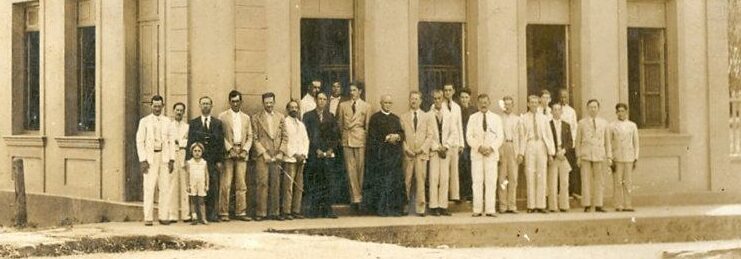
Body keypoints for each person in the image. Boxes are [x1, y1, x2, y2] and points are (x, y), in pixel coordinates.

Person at [362, 95, 406, 216]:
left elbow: (402, 133)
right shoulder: (375, 118)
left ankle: (394, 210)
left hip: (394, 157)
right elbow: (372, 137)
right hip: (381, 157)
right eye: (385, 102)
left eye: (389, 103)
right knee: (382, 183)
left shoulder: (395, 118)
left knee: (394, 183)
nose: (387, 105)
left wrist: (397, 137)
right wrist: (386, 138)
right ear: (381, 103)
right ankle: (382, 210)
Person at [136, 95, 175, 226]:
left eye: (159, 106)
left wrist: (171, 159)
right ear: (151, 106)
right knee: (149, 187)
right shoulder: (144, 121)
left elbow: (171, 141)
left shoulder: (167, 121)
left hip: (163, 157)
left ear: (163, 106)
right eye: (155, 106)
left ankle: (164, 216)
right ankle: (148, 217)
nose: (157, 108)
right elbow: (140, 141)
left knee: (164, 187)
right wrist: (143, 160)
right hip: (150, 158)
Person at [186, 96, 225, 222]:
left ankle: (212, 215)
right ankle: (197, 215)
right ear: (200, 106)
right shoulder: (194, 123)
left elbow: (220, 143)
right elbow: (190, 142)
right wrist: (188, 160)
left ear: (211, 106)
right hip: (197, 162)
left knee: (212, 186)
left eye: (208, 104)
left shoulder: (217, 123)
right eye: (203, 104)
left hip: (212, 160)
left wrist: (219, 160)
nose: (205, 106)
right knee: (197, 188)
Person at [217, 90, 253, 222]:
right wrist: (230, 149)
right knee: (226, 183)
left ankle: (240, 212)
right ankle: (223, 212)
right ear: (229, 102)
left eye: (238, 101)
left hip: (242, 152)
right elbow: (220, 135)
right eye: (233, 101)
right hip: (228, 153)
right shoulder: (222, 116)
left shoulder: (246, 117)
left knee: (241, 184)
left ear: (241, 102)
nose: (235, 104)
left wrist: (245, 150)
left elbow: (250, 136)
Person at [304, 93, 341, 218]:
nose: (322, 101)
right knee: (315, 181)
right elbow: (306, 136)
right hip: (315, 154)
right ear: (315, 100)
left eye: (324, 99)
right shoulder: (308, 116)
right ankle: (314, 210)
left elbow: (335, 136)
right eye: (320, 99)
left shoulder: (330, 117)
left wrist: (331, 149)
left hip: (327, 155)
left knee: (328, 181)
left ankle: (327, 210)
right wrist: (316, 150)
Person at [466, 94, 504, 217]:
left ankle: (490, 209)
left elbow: (500, 137)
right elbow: (469, 136)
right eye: (481, 102)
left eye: (485, 102)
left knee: (491, 182)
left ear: (489, 103)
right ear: (477, 104)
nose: (483, 104)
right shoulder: (472, 118)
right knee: (477, 182)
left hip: (491, 155)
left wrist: (491, 148)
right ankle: (477, 209)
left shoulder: (496, 118)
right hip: (477, 154)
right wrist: (479, 147)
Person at [251, 92, 287, 221]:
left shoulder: (281, 117)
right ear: (263, 103)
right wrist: (263, 153)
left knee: (276, 183)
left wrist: (281, 152)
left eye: (271, 102)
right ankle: (261, 212)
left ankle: (275, 212)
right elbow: (254, 138)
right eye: (266, 103)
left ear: (274, 102)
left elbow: (285, 137)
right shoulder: (256, 118)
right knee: (262, 183)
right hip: (263, 155)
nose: (269, 105)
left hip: (276, 154)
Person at [337, 81, 370, 212]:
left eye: (354, 90)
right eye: (350, 90)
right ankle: (354, 199)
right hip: (347, 139)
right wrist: (344, 137)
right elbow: (340, 124)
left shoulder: (366, 106)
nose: (352, 93)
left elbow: (366, 126)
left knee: (360, 169)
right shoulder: (343, 105)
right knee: (350, 170)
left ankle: (360, 198)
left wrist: (364, 138)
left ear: (360, 91)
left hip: (360, 139)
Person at [520, 95, 556, 214]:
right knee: (530, 174)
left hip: (541, 145)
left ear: (538, 104)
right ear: (528, 104)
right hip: (530, 145)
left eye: (536, 102)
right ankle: (531, 205)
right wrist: (521, 153)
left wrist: (551, 153)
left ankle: (541, 205)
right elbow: (521, 137)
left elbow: (549, 135)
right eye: (532, 102)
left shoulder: (544, 118)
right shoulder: (523, 118)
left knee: (541, 174)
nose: (534, 104)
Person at [400, 91, 434, 216]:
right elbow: (401, 136)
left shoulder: (427, 117)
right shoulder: (403, 117)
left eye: (416, 99)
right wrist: (406, 149)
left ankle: (421, 208)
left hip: (421, 154)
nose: (413, 101)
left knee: (420, 181)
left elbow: (430, 135)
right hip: (408, 154)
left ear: (420, 101)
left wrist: (422, 149)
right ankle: (405, 206)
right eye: (411, 99)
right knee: (407, 180)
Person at [575, 99, 612, 213]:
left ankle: (598, 204)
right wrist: (578, 156)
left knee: (599, 180)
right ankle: (586, 204)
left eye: (595, 107)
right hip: (586, 154)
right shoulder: (581, 123)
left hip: (599, 154)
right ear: (587, 109)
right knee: (585, 180)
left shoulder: (604, 123)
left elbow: (607, 141)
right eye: (591, 107)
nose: (593, 109)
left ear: (598, 109)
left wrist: (609, 156)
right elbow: (578, 141)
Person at [429, 89, 459, 216]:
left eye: (439, 98)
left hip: (445, 151)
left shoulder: (449, 115)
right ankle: (434, 205)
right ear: (432, 100)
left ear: (443, 99)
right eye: (435, 98)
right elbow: (427, 135)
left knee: (445, 178)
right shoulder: (428, 115)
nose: (437, 101)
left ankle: (443, 205)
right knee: (434, 178)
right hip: (435, 151)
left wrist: (446, 146)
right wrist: (436, 147)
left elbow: (454, 132)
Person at [434, 84, 465, 202]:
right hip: (444, 143)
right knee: (444, 172)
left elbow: (459, 126)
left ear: (453, 91)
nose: (447, 92)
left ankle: (455, 195)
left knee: (454, 169)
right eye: (445, 90)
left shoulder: (457, 107)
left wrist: (461, 143)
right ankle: (444, 196)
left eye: (449, 90)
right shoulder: (439, 105)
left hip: (455, 142)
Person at [281, 99, 310, 220]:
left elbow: (305, 140)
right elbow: (285, 140)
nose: (294, 109)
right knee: (288, 186)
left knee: (299, 185)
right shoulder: (284, 123)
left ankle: (296, 210)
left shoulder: (301, 124)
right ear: (288, 109)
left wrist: (303, 154)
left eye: (296, 107)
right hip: (290, 158)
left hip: (301, 159)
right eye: (291, 107)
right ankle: (286, 211)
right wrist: (294, 154)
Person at [610, 103, 639, 212]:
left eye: (623, 111)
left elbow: (636, 143)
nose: (621, 113)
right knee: (618, 181)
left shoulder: (632, 125)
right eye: (619, 111)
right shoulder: (612, 126)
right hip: (617, 157)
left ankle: (628, 204)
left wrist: (635, 157)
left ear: (626, 112)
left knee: (628, 182)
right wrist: (610, 158)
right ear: (616, 112)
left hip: (629, 157)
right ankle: (618, 204)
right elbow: (609, 143)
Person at [498, 96, 522, 214]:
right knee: (503, 178)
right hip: (503, 147)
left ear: (513, 106)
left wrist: (520, 153)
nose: (507, 106)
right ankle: (503, 205)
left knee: (513, 178)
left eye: (509, 104)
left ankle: (512, 205)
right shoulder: (499, 119)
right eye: (505, 104)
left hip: (513, 147)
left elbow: (521, 137)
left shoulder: (517, 119)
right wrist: (499, 151)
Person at [547, 103, 573, 212]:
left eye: (559, 110)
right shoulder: (548, 125)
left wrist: (563, 150)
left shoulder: (566, 125)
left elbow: (570, 141)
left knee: (564, 181)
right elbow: (547, 140)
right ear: (551, 112)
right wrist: (553, 153)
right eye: (555, 110)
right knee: (552, 182)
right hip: (553, 155)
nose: (557, 112)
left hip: (563, 155)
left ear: (562, 112)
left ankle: (564, 205)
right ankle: (553, 206)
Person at [167, 102, 190, 223]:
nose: (179, 112)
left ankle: (186, 214)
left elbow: (186, 142)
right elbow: (169, 142)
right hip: (172, 156)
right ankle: (172, 214)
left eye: (181, 110)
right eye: (177, 110)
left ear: (184, 113)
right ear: (173, 111)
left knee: (184, 185)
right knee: (172, 185)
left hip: (183, 155)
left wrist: (179, 143)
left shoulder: (187, 127)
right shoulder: (169, 127)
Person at [558, 88, 580, 198]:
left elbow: (574, 127)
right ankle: (560, 192)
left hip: (568, 142)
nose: (563, 99)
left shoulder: (571, 111)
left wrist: (573, 143)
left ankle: (571, 192)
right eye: (561, 96)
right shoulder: (555, 109)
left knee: (570, 167)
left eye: (565, 97)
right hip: (559, 142)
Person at [458, 89, 477, 201]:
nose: (464, 99)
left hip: (471, 144)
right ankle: (462, 193)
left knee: (471, 168)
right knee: (462, 167)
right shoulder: (457, 110)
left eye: (466, 97)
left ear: (469, 98)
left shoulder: (474, 110)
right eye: (462, 97)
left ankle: (471, 193)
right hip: (461, 143)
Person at [186, 142, 209, 225]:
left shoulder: (204, 162)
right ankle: (194, 218)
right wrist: (187, 185)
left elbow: (206, 175)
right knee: (193, 201)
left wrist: (207, 185)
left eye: (199, 151)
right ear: (192, 152)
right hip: (192, 184)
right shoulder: (189, 162)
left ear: (202, 152)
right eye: (195, 151)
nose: (197, 153)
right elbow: (187, 174)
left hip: (201, 184)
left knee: (201, 201)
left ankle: (203, 218)